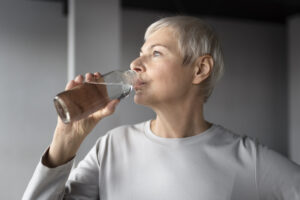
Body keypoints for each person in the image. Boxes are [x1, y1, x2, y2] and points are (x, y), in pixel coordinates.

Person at [23, 16, 300, 200]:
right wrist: (66, 141)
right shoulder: (112, 147)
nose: (134, 64)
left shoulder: (247, 160)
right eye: (140, 52)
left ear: (200, 69)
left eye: (155, 53)